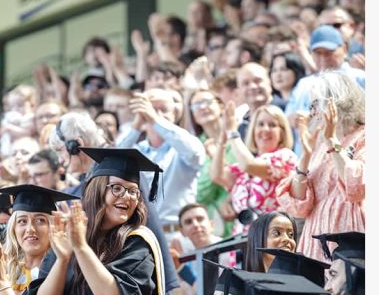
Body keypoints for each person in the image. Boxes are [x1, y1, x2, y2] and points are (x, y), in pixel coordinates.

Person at [26, 148, 165, 295]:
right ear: (97, 190)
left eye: (134, 191)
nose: (128, 196)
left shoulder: (137, 243)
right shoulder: (67, 236)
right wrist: (64, 258)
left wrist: (81, 247)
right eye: (117, 188)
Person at [276, 71, 366, 262]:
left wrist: (333, 141)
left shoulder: (363, 136)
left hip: (348, 236)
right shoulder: (318, 141)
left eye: (316, 104)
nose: (313, 111)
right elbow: (299, 207)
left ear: (337, 102)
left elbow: (357, 188)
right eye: (312, 105)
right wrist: (305, 158)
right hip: (315, 239)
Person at [115, 88, 206, 228]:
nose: (156, 114)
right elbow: (113, 161)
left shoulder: (183, 145)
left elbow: (195, 154)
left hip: (179, 231)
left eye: (163, 109)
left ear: (175, 113)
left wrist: (155, 119)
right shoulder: (136, 150)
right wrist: (137, 125)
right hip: (142, 231)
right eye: (151, 109)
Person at [211, 103, 296, 235]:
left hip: (272, 237)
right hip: (242, 242)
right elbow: (217, 175)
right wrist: (223, 137)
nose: (265, 129)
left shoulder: (285, 157)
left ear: (282, 132)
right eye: (260, 124)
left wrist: (233, 132)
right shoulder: (244, 165)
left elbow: (248, 166)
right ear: (253, 130)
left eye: (272, 125)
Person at [186, 89, 235, 238]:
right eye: (196, 105)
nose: (202, 107)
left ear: (220, 106)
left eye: (207, 102)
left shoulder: (238, 133)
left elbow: (243, 175)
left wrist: (227, 198)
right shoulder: (194, 147)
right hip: (216, 225)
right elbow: (201, 192)